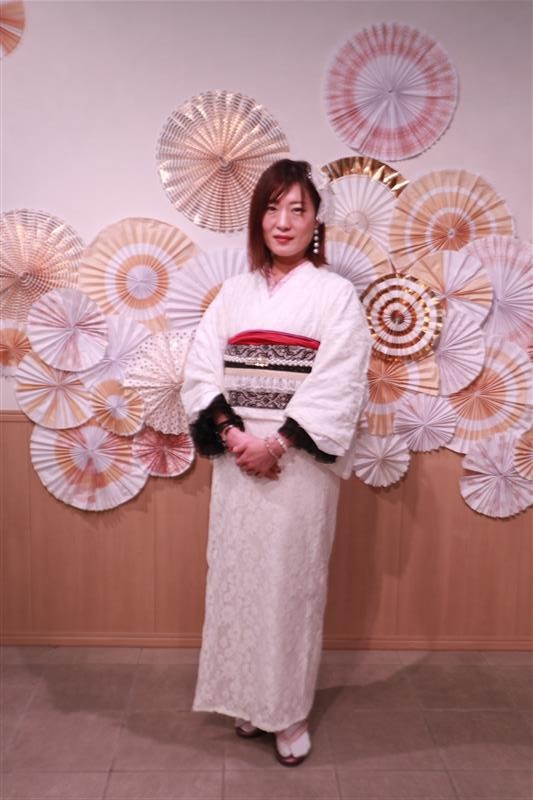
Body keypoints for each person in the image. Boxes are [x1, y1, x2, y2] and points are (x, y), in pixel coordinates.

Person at [181, 159, 371, 766]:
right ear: (257, 218)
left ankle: (287, 712)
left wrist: (278, 443)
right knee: (237, 577)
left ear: (316, 221)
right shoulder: (233, 294)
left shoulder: (335, 294)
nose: (283, 222)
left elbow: (340, 379)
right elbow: (201, 368)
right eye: (271, 208)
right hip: (239, 460)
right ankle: (247, 699)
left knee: (292, 584)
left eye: (297, 209)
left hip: (297, 466)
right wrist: (232, 434)